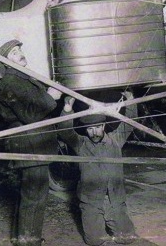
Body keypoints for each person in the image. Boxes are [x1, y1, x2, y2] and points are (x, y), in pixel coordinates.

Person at [0, 39, 62, 245]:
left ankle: (27, 239)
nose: (20, 54)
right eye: (13, 53)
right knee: (34, 196)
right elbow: (30, 115)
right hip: (30, 145)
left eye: (19, 50)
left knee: (33, 195)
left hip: (35, 143)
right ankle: (28, 242)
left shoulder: (22, 79)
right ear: (6, 62)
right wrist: (51, 97)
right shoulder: (13, 83)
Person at [57, 92, 139, 245]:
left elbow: (130, 123)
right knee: (94, 241)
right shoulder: (80, 144)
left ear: (104, 126)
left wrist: (131, 101)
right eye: (90, 129)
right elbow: (65, 131)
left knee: (128, 238)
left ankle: (117, 223)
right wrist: (67, 109)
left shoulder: (116, 139)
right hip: (91, 202)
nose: (94, 133)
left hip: (114, 200)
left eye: (97, 128)